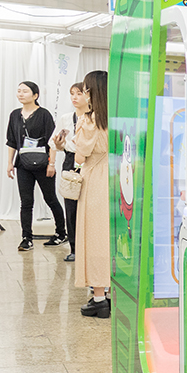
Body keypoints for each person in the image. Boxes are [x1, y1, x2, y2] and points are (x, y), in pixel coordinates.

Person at [5, 81, 67, 252]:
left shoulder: (44, 114)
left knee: (51, 199)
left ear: (35, 95)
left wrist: (51, 163)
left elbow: (52, 141)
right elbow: (11, 141)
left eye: (25, 91)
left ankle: (61, 234)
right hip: (22, 164)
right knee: (26, 202)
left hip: (43, 164)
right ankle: (26, 238)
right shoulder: (14, 115)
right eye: (18, 91)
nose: (20, 94)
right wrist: (10, 163)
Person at [75, 70, 111, 318]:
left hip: (96, 180)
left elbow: (80, 155)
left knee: (95, 237)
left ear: (92, 92)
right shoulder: (119, 116)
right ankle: (111, 292)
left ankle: (99, 298)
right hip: (119, 179)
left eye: (85, 89)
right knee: (113, 238)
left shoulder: (90, 120)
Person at [51, 82, 87, 262]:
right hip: (71, 160)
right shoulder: (66, 118)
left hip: (89, 161)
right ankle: (74, 248)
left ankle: (89, 247)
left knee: (88, 207)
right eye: (72, 93)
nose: (74, 97)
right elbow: (55, 144)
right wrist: (59, 144)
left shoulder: (94, 118)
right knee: (71, 207)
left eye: (78, 93)